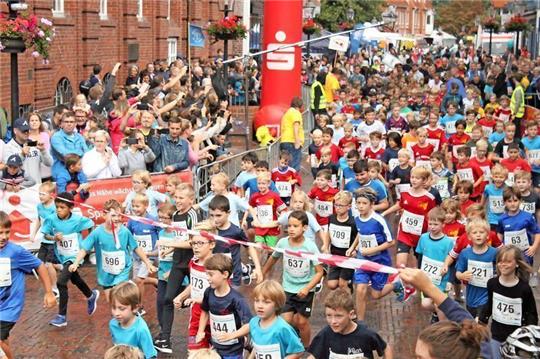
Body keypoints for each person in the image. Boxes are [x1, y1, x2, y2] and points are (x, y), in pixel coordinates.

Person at [68, 199, 157, 302]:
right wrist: (75, 263)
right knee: (111, 302)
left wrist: (148, 263)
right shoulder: (97, 232)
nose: (117, 218)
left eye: (119, 216)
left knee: (119, 298)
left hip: (122, 270)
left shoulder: (124, 232)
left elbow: (136, 248)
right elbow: (84, 249)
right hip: (105, 273)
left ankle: (133, 309)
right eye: (113, 215)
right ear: (104, 215)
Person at [262, 210, 324, 346]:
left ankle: (307, 347)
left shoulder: (310, 247)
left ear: (305, 228)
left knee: (302, 322)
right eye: (289, 226)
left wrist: (307, 288)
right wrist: (262, 274)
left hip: (304, 290)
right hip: (288, 288)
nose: (291, 229)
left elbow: (320, 272)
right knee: (285, 321)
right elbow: (273, 259)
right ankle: (289, 345)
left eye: (295, 226)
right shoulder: (282, 243)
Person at [0, 211, 56, 359]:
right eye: (0, 233)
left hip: (9, 307)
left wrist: (49, 292)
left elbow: (40, 266)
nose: (4, 237)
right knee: (3, 341)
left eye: (7, 232)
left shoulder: (15, 252)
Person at [40, 192, 98, 327]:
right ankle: (91, 295)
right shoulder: (52, 219)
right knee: (75, 278)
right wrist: (54, 238)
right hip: (62, 255)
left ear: (70, 208)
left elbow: (91, 224)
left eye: (62, 207)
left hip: (75, 256)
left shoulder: (77, 220)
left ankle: (62, 316)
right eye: (57, 207)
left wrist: (88, 243)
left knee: (61, 282)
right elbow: (46, 235)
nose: (59, 210)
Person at [154, 183, 200, 354]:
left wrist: (169, 243)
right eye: (176, 197)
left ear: (190, 199)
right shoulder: (174, 214)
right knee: (167, 299)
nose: (178, 201)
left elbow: (193, 241)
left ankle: (200, 337)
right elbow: (179, 238)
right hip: (178, 263)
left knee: (200, 300)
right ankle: (165, 339)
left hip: (193, 262)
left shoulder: (192, 215)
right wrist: (171, 248)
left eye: (181, 198)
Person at [346, 188, 398, 319]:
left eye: (364, 203)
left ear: (371, 204)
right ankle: (360, 323)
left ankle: (396, 284)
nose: (361, 206)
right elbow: (360, 232)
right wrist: (352, 247)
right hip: (362, 260)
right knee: (360, 290)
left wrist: (371, 250)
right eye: (358, 203)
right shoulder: (357, 217)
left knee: (376, 295)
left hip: (379, 261)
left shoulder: (378, 220)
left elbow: (391, 242)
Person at [479, 245, 539, 354]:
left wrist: (530, 333)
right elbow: (490, 303)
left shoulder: (524, 288)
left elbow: (531, 313)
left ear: (516, 264)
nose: (503, 265)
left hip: (517, 337)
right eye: (500, 261)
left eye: (508, 261)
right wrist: (482, 319)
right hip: (496, 334)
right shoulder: (492, 283)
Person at [306, 288, 392, 359]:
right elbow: (313, 356)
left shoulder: (366, 334)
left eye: (338, 316)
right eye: (329, 315)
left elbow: (386, 348)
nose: (333, 321)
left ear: (351, 314)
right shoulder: (325, 334)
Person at [172, 221, 216, 356]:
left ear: (212, 244)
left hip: (215, 318)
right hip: (196, 318)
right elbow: (194, 284)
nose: (196, 247)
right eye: (193, 243)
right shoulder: (193, 262)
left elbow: (222, 295)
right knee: (194, 353)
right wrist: (182, 296)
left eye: (200, 243)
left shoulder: (218, 266)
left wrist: (198, 300)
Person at [196, 254, 252, 358]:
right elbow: (204, 311)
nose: (207, 278)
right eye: (206, 274)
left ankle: (246, 344)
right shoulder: (208, 292)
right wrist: (200, 331)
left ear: (225, 274)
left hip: (233, 350)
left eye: (211, 275)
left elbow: (249, 324)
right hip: (215, 347)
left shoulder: (237, 299)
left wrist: (231, 335)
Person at [382, 166, 437, 269]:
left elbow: (436, 213)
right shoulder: (405, 193)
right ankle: (402, 284)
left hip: (421, 235)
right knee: (400, 265)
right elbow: (400, 205)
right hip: (405, 233)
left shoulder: (430, 197)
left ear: (424, 180)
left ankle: (417, 284)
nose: (414, 180)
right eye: (412, 177)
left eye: (417, 178)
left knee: (421, 267)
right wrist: (384, 213)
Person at [207, 195, 263, 287]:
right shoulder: (208, 229)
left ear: (228, 213)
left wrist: (258, 268)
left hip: (232, 277)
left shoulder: (236, 231)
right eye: (212, 215)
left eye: (218, 215)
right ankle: (244, 268)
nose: (215, 219)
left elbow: (249, 247)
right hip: (214, 273)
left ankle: (242, 269)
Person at [249, 280, 304, 359]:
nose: (260, 306)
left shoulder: (282, 328)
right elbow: (256, 346)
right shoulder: (253, 323)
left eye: (266, 302)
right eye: (257, 301)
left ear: (277, 305)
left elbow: (298, 351)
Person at [456, 219, 497, 318]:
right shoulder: (465, 253)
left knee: (480, 321)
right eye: (475, 233)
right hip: (471, 295)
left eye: (481, 232)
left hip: (487, 296)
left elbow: (500, 269)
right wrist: (462, 275)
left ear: (487, 235)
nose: (478, 235)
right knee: (473, 322)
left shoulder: (495, 253)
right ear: (469, 237)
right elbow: (458, 273)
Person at [126, 193, 160, 316]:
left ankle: (139, 307)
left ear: (146, 206)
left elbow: (160, 232)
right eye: (133, 206)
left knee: (139, 280)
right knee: (136, 280)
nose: (135, 209)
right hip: (137, 256)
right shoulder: (131, 221)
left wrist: (157, 249)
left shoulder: (153, 220)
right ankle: (155, 282)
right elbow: (128, 235)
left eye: (138, 206)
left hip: (150, 256)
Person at [109, 281, 157, 359]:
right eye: (113, 308)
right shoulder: (113, 324)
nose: (116, 313)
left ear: (135, 308)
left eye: (122, 309)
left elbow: (150, 355)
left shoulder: (141, 330)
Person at [323, 191, 358, 290]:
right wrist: (325, 246)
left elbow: (359, 237)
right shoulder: (331, 218)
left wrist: (355, 250)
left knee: (342, 284)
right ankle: (348, 282)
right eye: (336, 205)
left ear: (349, 206)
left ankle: (346, 301)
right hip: (335, 255)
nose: (337, 208)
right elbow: (328, 232)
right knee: (332, 285)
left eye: (341, 205)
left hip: (348, 257)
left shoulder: (352, 222)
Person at [3, 118, 52, 184]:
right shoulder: (8, 147)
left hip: (36, 187)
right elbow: (8, 168)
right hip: (18, 188)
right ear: (15, 131)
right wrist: (22, 155)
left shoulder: (35, 144)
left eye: (27, 130)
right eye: (23, 130)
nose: (26, 132)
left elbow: (49, 163)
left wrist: (43, 151)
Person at [50, 111, 89, 178]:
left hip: (78, 171)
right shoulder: (56, 137)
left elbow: (87, 153)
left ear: (75, 124)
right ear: (61, 124)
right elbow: (66, 154)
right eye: (66, 122)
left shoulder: (79, 136)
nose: (69, 124)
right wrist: (81, 154)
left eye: (71, 122)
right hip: (61, 173)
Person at [279, 96, 304, 172]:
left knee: (285, 164)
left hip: (285, 140)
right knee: (294, 166)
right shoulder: (296, 113)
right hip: (292, 141)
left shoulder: (287, 113)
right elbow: (295, 127)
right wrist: (297, 142)